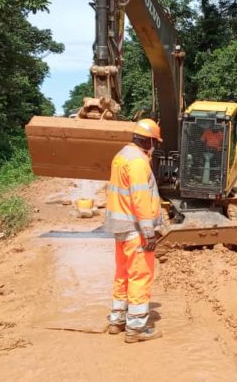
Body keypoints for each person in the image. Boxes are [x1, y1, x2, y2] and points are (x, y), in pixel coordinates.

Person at [103, 118, 164, 343]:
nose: (154, 147)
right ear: (147, 140)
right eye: (154, 142)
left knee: (122, 274)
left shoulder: (120, 156)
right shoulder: (138, 161)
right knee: (140, 276)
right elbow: (140, 198)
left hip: (120, 228)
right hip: (135, 229)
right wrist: (149, 232)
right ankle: (137, 328)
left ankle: (117, 321)